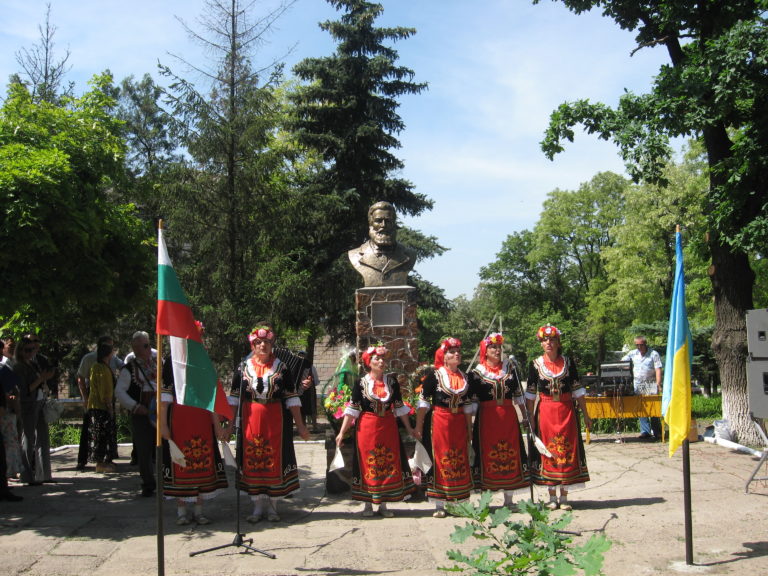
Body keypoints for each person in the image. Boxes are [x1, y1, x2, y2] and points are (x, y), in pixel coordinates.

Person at [227, 325, 310, 523]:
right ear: (252, 345)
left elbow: (292, 399)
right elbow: (234, 399)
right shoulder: (242, 367)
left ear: (272, 344)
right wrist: (229, 426)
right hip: (251, 420)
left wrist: (301, 426)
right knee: (253, 458)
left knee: (274, 458)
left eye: (267, 342)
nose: (263, 345)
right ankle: (257, 507)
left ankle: (273, 507)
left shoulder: (282, 368)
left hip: (276, 420)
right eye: (258, 342)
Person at [335, 345, 416, 517]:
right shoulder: (361, 383)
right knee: (368, 462)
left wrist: (410, 428)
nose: (381, 361)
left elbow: (400, 408)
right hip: (367, 427)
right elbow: (352, 409)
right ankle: (367, 503)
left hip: (388, 427)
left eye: (383, 359)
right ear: (368, 363)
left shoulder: (392, 382)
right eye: (377, 359)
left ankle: (384, 504)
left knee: (387, 462)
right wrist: (342, 432)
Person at [525, 325, 591, 511]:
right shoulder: (535, 364)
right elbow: (530, 395)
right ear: (541, 344)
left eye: (552, 340)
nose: (549, 343)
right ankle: (551, 496)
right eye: (545, 340)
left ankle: (564, 496)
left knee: (566, 451)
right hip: (545, 412)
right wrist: (529, 419)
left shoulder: (568, 363)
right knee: (549, 451)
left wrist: (586, 414)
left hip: (567, 410)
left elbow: (578, 391)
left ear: (558, 342)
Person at [467, 333, 529, 509]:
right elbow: (471, 403)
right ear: (485, 351)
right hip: (487, 419)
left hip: (508, 418)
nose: (497, 350)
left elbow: (519, 397)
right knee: (487, 454)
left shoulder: (510, 371)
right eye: (493, 347)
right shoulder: (476, 374)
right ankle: (485, 500)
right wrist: (467, 425)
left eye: (499, 347)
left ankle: (509, 500)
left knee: (510, 452)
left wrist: (525, 416)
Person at [414, 337, 474, 518]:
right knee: (440, 458)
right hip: (439, 421)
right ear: (444, 356)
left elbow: (468, 406)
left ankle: (460, 502)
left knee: (458, 458)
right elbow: (423, 402)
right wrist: (418, 426)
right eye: (451, 352)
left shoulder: (465, 377)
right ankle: (439, 503)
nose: (456, 355)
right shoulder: (435, 376)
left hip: (458, 423)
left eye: (458, 352)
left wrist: (469, 428)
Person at [116, 331, 159, 497]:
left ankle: (167, 479)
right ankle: (148, 483)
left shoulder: (157, 363)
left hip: (160, 410)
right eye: (146, 346)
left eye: (149, 344)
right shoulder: (129, 370)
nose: (150, 349)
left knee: (166, 445)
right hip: (143, 412)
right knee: (144, 449)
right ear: (136, 348)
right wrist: (135, 406)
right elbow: (119, 392)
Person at [76, 336, 123, 470]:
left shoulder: (111, 361)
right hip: (98, 401)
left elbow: (123, 366)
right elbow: (82, 379)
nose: (111, 350)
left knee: (107, 432)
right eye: (109, 347)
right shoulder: (94, 363)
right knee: (95, 432)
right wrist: (85, 398)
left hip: (105, 399)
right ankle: (89, 460)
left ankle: (107, 458)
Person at [12, 336, 55, 485]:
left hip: (39, 402)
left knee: (43, 438)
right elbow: (24, 390)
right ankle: (26, 476)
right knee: (28, 439)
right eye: (27, 350)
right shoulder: (18, 367)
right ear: (20, 350)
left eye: (33, 349)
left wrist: (44, 379)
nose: (31, 352)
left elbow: (40, 381)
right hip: (27, 405)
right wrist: (40, 379)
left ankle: (44, 475)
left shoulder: (33, 363)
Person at [348, 201, 416, 287]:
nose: (383, 225)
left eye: (388, 221)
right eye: (378, 221)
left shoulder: (409, 255)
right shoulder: (355, 255)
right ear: (371, 223)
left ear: (394, 223)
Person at [621, 336, 663, 441]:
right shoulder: (633, 353)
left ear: (645, 344)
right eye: (637, 345)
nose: (639, 347)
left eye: (641, 345)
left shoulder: (654, 354)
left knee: (653, 408)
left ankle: (657, 432)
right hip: (638, 383)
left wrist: (658, 383)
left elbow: (658, 369)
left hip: (651, 383)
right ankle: (645, 431)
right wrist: (625, 366)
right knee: (641, 407)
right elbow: (622, 362)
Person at [87, 343, 117, 474]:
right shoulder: (101, 368)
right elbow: (104, 389)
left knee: (103, 435)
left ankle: (104, 461)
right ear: (108, 353)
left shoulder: (99, 367)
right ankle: (100, 463)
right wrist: (109, 405)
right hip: (101, 407)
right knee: (101, 435)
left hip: (98, 406)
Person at [0, 340, 23, 482]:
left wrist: (14, 397)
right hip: (4, 409)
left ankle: (11, 470)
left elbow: (15, 386)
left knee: (12, 440)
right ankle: (8, 471)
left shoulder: (4, 368)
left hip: (8, 410)